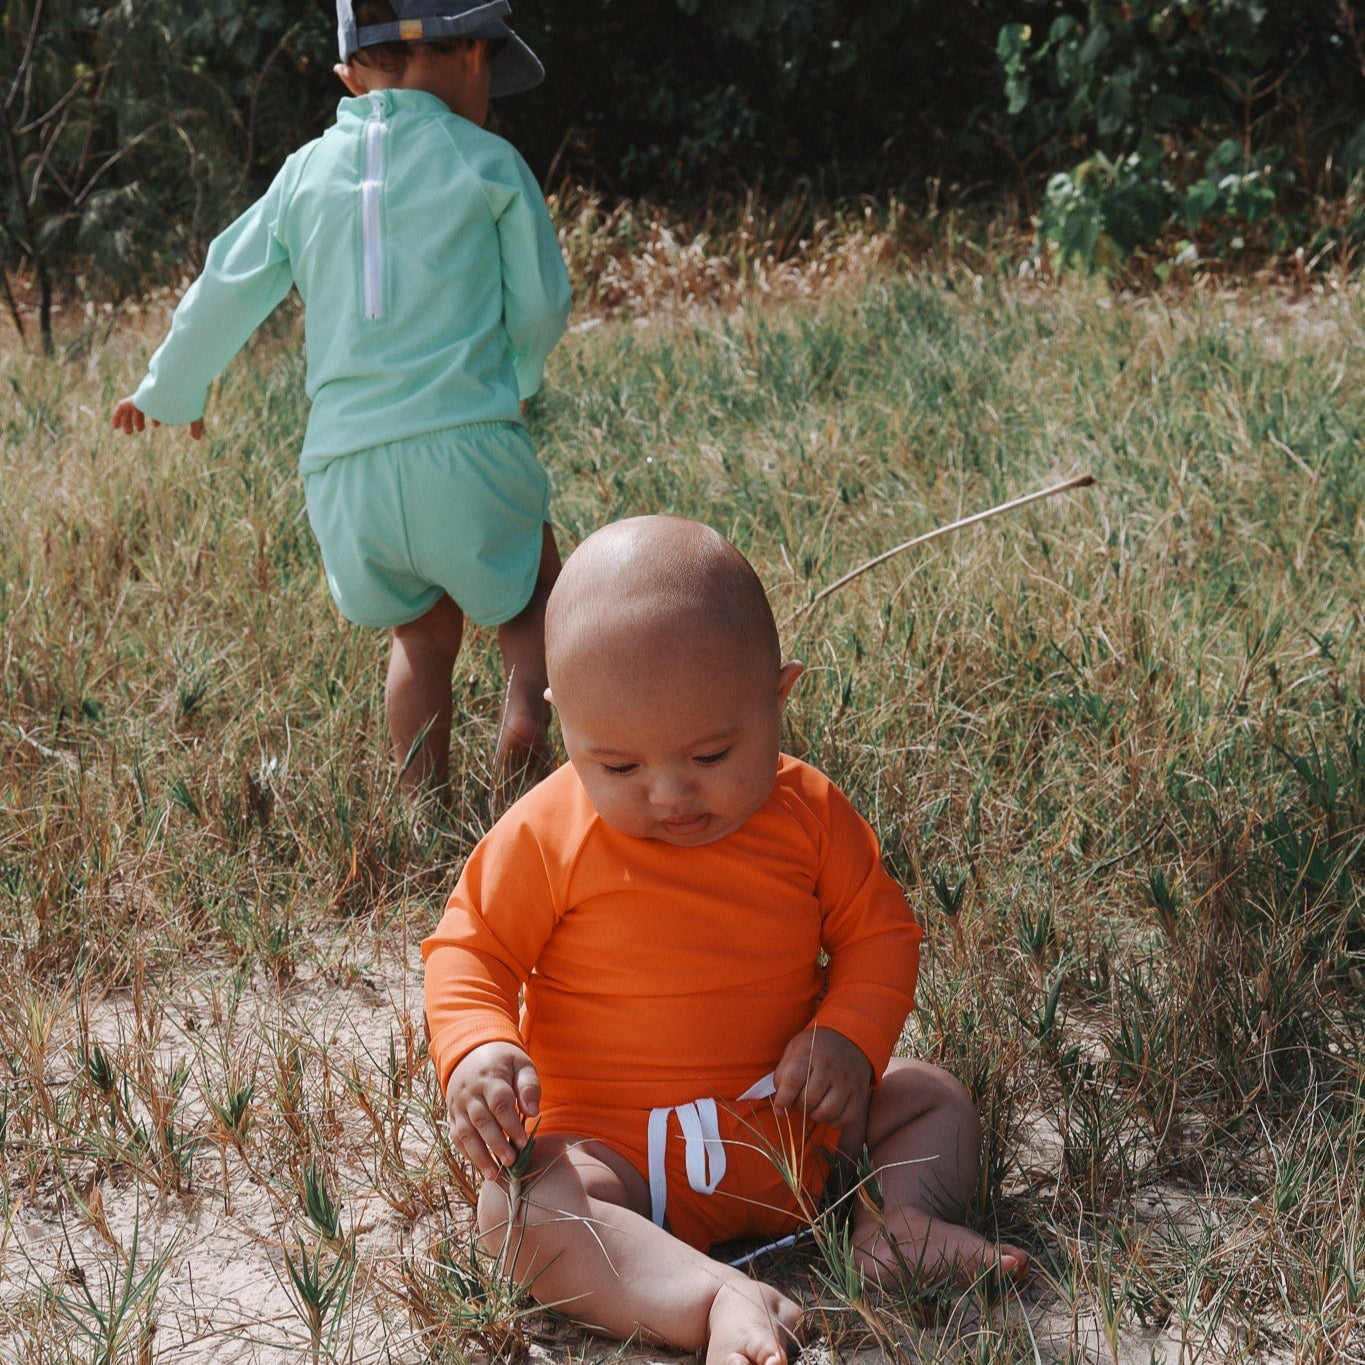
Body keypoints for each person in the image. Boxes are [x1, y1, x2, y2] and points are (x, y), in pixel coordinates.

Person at [423, 515, 1029, 1365]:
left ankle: (898, 1226)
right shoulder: (544, 832)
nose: (669, 793)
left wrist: (848, 1036)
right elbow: (468, 949)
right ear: (565, 722)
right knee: (517, 1207)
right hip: (616, 1161)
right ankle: (707, 1296)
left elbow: (878, 932)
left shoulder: (809, 813)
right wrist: (477, 1047)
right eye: (618, 766)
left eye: (711, 752)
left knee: (932, 1099)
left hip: (796, 1135)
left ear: (775, 698)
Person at [111, 0, 573, 791]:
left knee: (420, 636)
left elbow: (228, 284)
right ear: (472, 56)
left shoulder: (304, 173)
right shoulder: (487, 160)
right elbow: (538, 306)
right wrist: (519, 378)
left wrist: (172, 390)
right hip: (467, 443)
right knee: (534, 592)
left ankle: (419, 798)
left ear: (349, 76)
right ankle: (525, 716)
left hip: (343, 473)